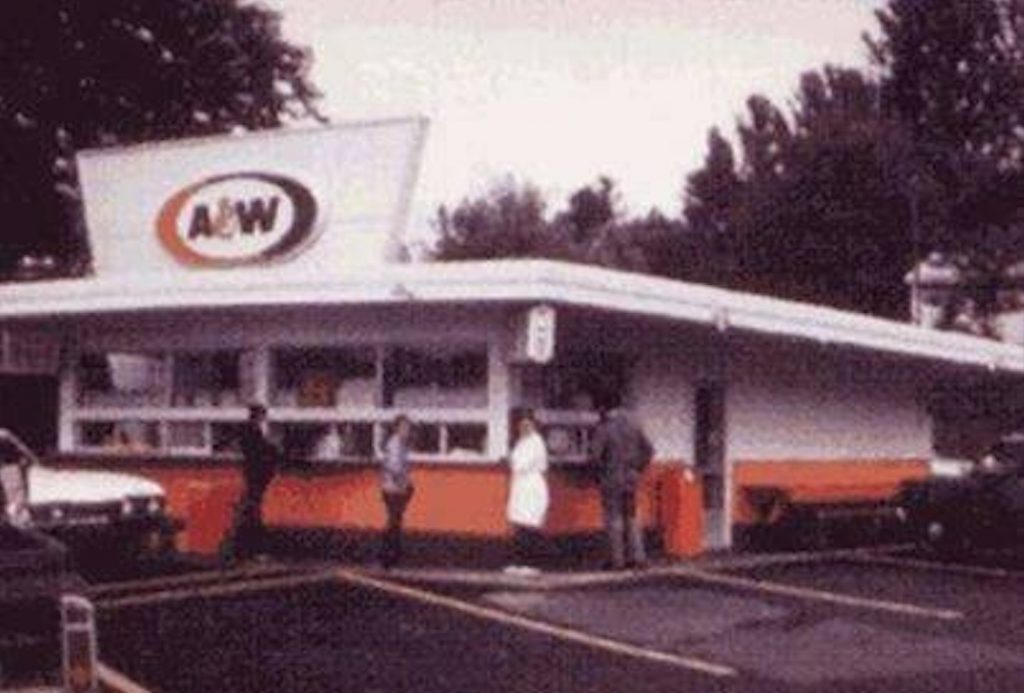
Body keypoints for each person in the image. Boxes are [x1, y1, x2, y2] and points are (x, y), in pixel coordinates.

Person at [590, 407, 654, 570]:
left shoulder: (605, 428)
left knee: (614, 519)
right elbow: (649, 451)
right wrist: (638, 468)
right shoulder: (635, 427)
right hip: (631, 479)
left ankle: (616, 561)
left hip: (611, 479)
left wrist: (599, 473)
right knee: (632, 518)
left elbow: (595, 455)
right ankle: (638, 558)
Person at [222, 404, 282, 562]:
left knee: (249, 510)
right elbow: (263, 451)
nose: (264, 418)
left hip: (253, 476)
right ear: (259, 416)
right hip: (256, 476)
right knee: (251, 512)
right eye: (263, 415)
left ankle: (240, 551)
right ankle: (246, 550)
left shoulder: (248, 431)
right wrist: (275, 450)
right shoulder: (252, 432)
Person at [504, 410, 550, 576]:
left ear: (533, 424)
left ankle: (531, 564)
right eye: (521, 424)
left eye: (527, 423)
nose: (524, 427)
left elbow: (519, 465)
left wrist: (510, 460)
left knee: (530, 526)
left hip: (532, 488)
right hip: (522, 487)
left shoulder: (536, 442)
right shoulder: (522, 442)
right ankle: (519, 563)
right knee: (520, 527)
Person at [379, 415, 414, 569]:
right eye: (405, 427)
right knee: (394, 523)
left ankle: (390, 558)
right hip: (393, 490)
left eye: (408, 428)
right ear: (398, 427)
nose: (408, 431)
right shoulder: (395, 444)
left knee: (394, 522)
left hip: (393, 489)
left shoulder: (399, 443)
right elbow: (394, 468)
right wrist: (404, 484)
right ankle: (388, 559)